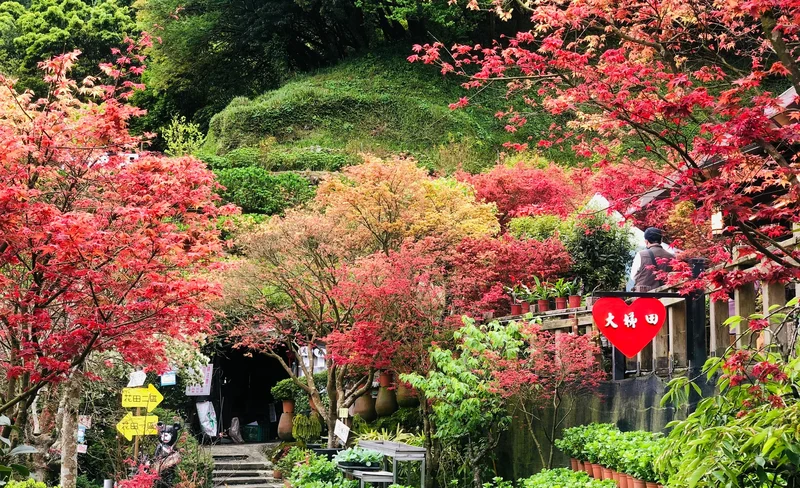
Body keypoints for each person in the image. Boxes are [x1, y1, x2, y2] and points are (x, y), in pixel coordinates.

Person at [631, 227, 675, 292]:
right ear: (661, 240)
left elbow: (633, 276)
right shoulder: (671, 257)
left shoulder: (641, 255)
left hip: (643, 296)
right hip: (664, 297)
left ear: (646, 241)